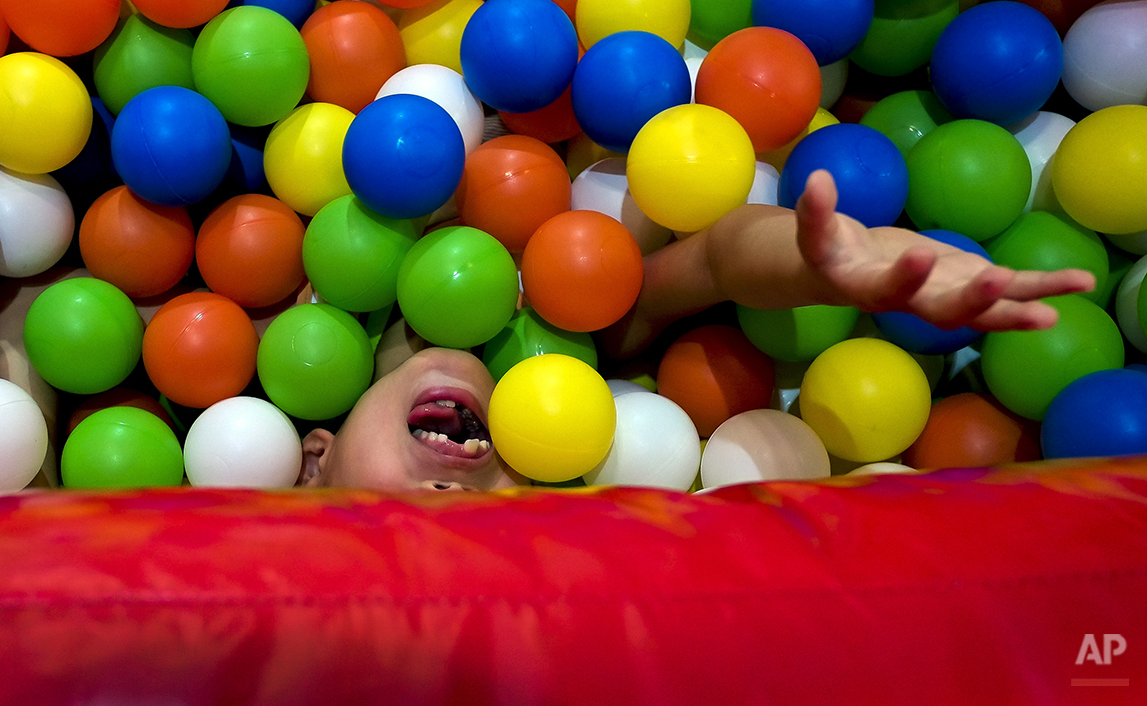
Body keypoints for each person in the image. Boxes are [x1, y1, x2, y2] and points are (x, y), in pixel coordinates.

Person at [298, 170, 1096, 492]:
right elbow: (715, 261)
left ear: (311, 464)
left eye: (387, 525)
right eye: (492, 521)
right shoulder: (586, 364)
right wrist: (822, 263)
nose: (445, 500)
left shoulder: (311, 325)